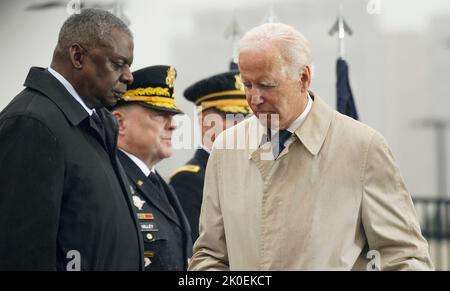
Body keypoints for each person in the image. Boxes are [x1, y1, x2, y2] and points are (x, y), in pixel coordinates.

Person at [188, 23, 434, 271]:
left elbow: (405, 258)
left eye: (266, 85)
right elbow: (210, 255)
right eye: (248, 85)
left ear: (303, 78)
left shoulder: (362, 148)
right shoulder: (226, 149)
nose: (254, 98)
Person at [0, 9, 143, 271]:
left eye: (129, 65)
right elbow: (21, 253)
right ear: (77, 56)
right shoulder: (33, 124)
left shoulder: (95, 121)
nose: (129, 76)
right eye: (118, 63)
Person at [111, 65, 192, 271]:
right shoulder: (111, 181)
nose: (172, 125)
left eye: (171, 116)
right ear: (119, 123)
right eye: (158, 114)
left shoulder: (157, 183)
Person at [169, 70, 251, 242]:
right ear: (206, 123)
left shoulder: (250, 173)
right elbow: (194, 250)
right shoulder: (188, 180)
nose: (244, 126)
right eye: (234, 118)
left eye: (247, 118)